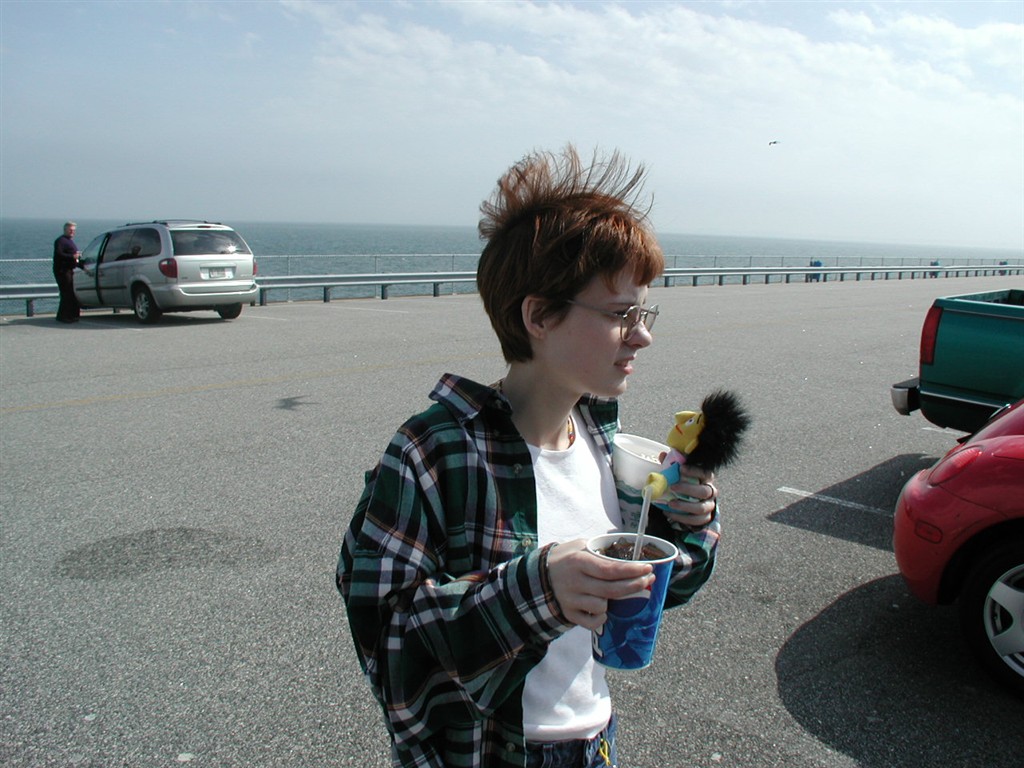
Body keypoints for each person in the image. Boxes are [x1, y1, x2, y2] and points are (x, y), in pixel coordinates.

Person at [337, 146, 721, 768]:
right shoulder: (433, 452)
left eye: (644, 312)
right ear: (539, 315)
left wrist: (687, 524)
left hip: (594, 741)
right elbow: (388, 644)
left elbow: (663, 589)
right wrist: (538, 588)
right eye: (621, 314)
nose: (643, 335)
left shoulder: (605, 443)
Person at [52, 221, 82, 323]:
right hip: (62, 270)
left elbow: (74, 258)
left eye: (73, 230)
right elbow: (59, 254)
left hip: (69, 270)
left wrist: (81, 265)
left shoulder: (70, 241)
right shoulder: (60, 241)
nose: (72, 232)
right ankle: (64, 316)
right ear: (65, 230)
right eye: (70, 230)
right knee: (67, 293)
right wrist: (72, 256)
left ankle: (70, 315)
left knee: (69, 293)